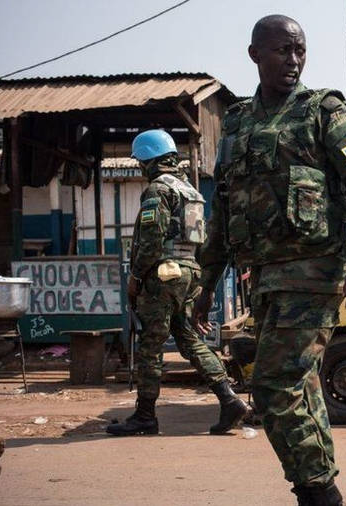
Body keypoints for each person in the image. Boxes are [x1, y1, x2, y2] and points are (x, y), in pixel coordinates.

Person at [191, 15, 346, 506]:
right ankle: (317, 490)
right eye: (283, 50)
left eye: (300, 50)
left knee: (274, 385)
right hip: (266, 281)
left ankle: (320, 494)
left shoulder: (324, 112)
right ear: (255, 54)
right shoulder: (237, 121)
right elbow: (223, 210)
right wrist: (206, 284)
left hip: (316, 274)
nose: (294, 61)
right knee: (300, 388)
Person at [106, 130, 249, 437]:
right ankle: (229, 399)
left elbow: (152, 240)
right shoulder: (191, 191)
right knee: (188, 339)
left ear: (148, 161)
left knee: (150, 344)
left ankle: (145, 416)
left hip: (162, 276)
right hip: (189, 273)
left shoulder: (158, 190)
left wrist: (135, 278)